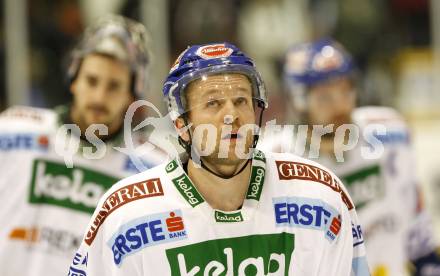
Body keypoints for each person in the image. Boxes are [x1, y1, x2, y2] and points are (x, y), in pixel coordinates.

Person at [69, 42, 369, 275]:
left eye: (241, 100)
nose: (231, 115)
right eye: (212, 103)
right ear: (181, 124)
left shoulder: (321, 196)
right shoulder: (126, 216)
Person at [0, 15, 167, 276]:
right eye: (91, 81)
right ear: (74, 78)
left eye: (114, 86)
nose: (99, 97)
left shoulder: (152, 170)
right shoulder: (12, 132)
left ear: (132, 94)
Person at [267, 38, 440, 276]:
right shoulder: (274, 157)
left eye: (346, 91)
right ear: (299, 101)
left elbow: (416, 227)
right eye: (326, 97)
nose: (340, 106)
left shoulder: (391, 132)